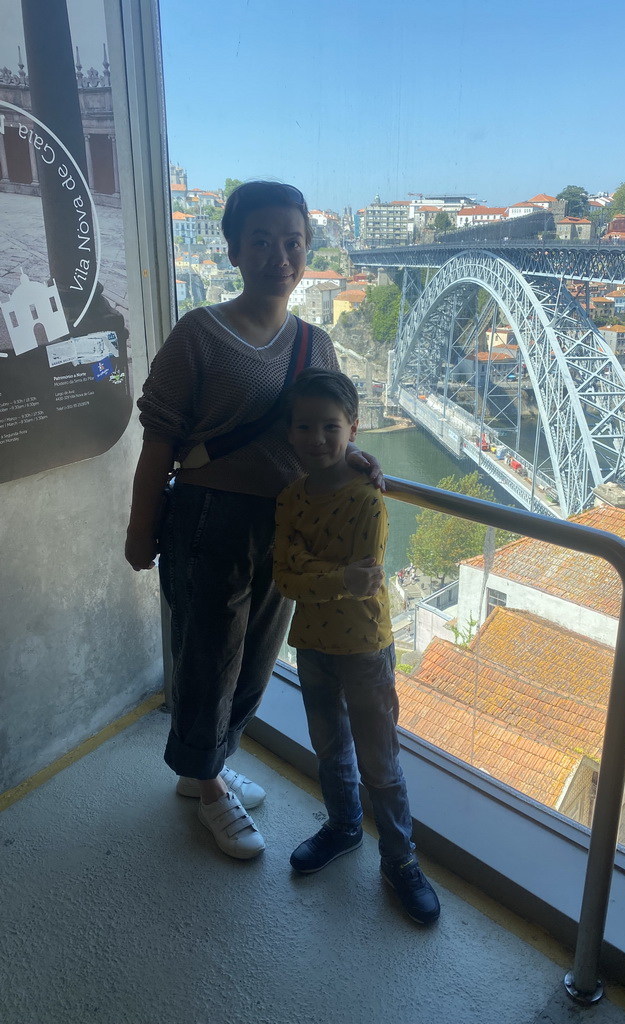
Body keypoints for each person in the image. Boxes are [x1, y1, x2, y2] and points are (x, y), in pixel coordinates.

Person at [124, 181, 382, 860]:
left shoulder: (315, 343)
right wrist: (138, 530)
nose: (280, 254)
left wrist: (357, 457)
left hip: (290, 523)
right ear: (234, 249)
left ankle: (202, 767)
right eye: (262, 239)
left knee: (257, 660)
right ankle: (208, 786)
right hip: (209, 519)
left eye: (293, 240)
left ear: (307, 248)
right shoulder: (199, 334)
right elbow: (158, 441)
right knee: (207, 657)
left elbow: (320, 427)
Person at [273, 367, 440, 925]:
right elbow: (285, 580)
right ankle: (344, 828)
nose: (316, 439)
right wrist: (335, 578)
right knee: (329, 749)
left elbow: (359, 581)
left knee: (381, 763)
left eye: (330, 426)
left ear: (353, 429)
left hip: (365, 649)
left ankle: (400, 859)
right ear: (289, 431)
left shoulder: (368, 501)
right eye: (304, 427)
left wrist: (315, 571)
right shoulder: (291, 498)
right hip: (314, 645)